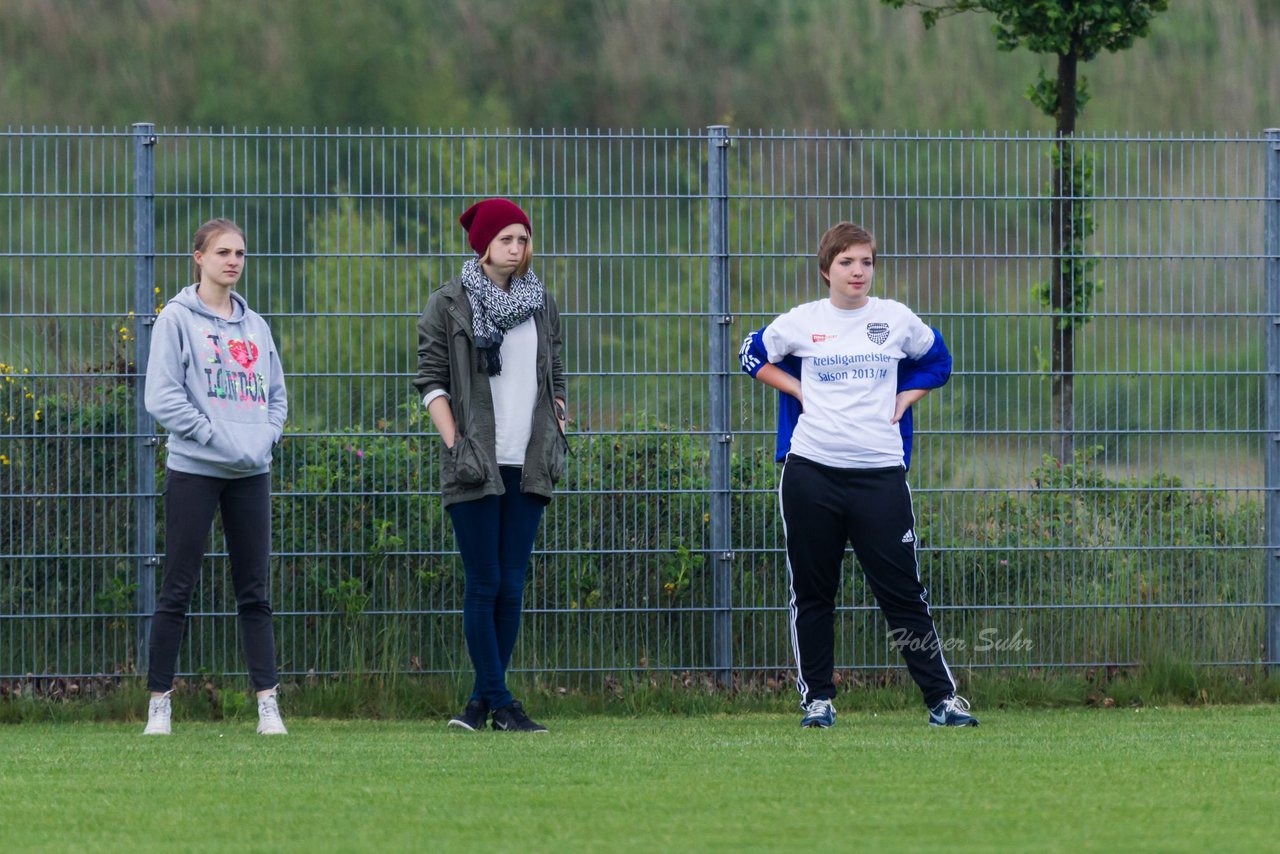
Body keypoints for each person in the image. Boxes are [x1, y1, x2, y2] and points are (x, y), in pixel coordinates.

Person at [739, 221, 977, 728]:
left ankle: (941, 700)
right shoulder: (802, 322)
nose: (858, 271)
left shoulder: (895, 320)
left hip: (880, 475)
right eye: (847, 262)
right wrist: (798, 391)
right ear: (826, 269)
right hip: (811, 473)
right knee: (813, 590)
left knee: (903, 592)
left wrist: (907, 396)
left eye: (866, 262)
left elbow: (940, 359)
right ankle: (818, 701)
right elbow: (751, 354)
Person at [414, 198, 567, 733]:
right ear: (482, 244)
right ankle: (503, 703)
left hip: (528, 461)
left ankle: (481, 705)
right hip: (475, 460)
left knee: (512, 582)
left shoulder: (541, 301)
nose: (517, 248)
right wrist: (455, 442)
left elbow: (556, 371)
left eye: (523, 239)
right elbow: (430, 379)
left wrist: (560, 421)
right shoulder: (449, 303)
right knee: (483, 582)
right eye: (506, 238)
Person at [141, 218, 289, 736]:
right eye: (223, 252)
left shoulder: (257, 326)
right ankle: (160, 704)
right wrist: (210, 436)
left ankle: (268, 706)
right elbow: (160, 397)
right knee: (176, 589)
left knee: (254, 592)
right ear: (198, 257)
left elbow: (277, 396)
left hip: (251, 471)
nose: (234, 261)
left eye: (241, 253)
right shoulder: (176, 320)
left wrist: (265, 438)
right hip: (195, 470)